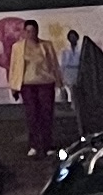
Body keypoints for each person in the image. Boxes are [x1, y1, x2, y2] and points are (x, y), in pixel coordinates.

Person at [11, 21, 64, 158]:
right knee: (32, 114)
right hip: (27, 84)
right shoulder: (18, 47)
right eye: (28, 31)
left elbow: (54, 64)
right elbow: (14, 67)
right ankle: (34, 144)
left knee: (46, 114)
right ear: (24, 32)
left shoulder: (46, 45)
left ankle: (47, 144)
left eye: (33, 31)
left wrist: (59, 82)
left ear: (37, 31)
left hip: (45, 82)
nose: (30, 34)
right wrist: (14, 87)